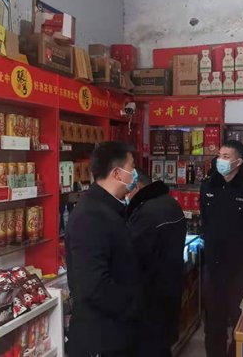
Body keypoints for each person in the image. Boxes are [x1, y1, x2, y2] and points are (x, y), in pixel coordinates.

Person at [66, 141, 142, 357]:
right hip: (101, 338)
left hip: (116, 332)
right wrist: (132, 306)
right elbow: (94, 286)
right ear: (117, 173)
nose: (135, 174)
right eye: (132, 167)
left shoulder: (110, 208)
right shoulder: (91, 215)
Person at [200, 140, 243, 357]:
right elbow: (205, 219)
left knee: (239, 318)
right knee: (213, 321)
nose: (220, 160)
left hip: (240, 267)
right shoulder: (209, 185)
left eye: (226, 157)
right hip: (213, 265)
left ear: (238, 161)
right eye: (220, 155)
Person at [126, 169, 186, 357]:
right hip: (170, 291)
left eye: (127, 190)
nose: (125, 196)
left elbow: (133, 258)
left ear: (137, 187)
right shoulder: (170, 203)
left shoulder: (145, 213)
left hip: (149, 299)